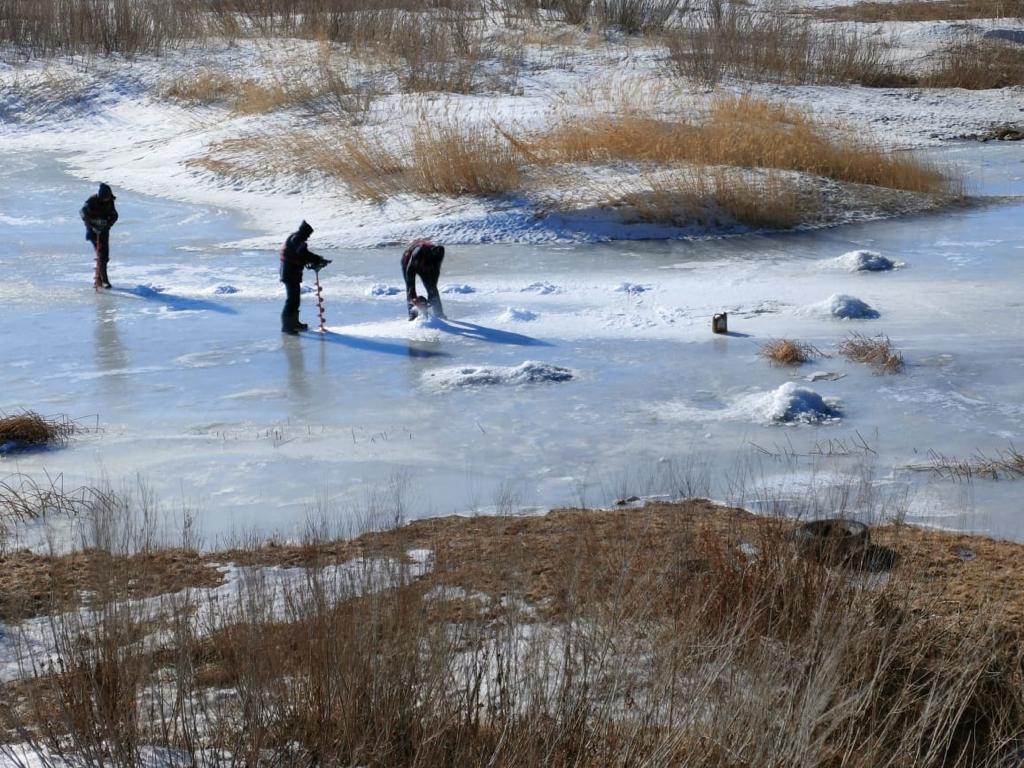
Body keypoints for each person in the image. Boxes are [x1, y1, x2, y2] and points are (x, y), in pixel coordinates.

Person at [279, 220, 330, 334]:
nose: (308, 237)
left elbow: (303, 254)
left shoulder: (296, 239)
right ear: (304, 232)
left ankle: (294, 323)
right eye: (308, 234)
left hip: (291, 273)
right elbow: (303, 253)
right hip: (289, 273)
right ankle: (287, 326)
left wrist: (317, 259)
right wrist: (317, 259)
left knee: (295, 299)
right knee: (292, 299)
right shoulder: (296, 239)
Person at [80, 183, 119, 289]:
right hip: (93, 231)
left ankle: (100, 279)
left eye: (107, 198)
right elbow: (83, 213)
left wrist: (108, 224)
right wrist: (92, 225)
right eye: (104, 198)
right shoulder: (91, 201)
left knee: (105, 256)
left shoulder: (110, 202)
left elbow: (115, 215)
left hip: (104, 231)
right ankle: (104, 280)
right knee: (101, 254)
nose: (106, 200)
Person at [401, 239, 445, 321]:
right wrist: (413, 297)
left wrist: (431, 297)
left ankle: (439, 314)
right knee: (410, 290)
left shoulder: (437, 258)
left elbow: (435, 277)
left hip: (424, 265)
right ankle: (413, 316)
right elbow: (410, 274)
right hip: (408, 264)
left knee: (432, 290)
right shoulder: (419, 252)